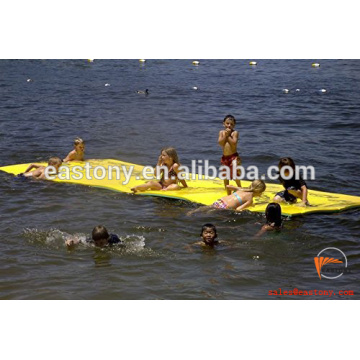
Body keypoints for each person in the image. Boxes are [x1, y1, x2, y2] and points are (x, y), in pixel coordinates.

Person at [189, 180, 266, 214]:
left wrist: (228, 195)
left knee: (208, 208)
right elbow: (238, 209)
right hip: (224, 207)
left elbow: (228, 186)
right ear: (259, 192)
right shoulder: (250, 200)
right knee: (209, 213)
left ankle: (192, 212)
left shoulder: (242, 189)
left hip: (220, 200)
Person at [218, 114, 241, 195]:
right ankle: (228, 191)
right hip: (225, 157)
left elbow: (234, 143)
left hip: (233, 157)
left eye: (231, 124)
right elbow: (220, 143)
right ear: (223, 123)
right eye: (227, 123)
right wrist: (225, 135)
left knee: (236, 174)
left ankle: (240, 189)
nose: (229, 125)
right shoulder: (221, 132)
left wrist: (228, 136)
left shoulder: (235, 133)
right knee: (225, 175)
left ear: (234, 125)